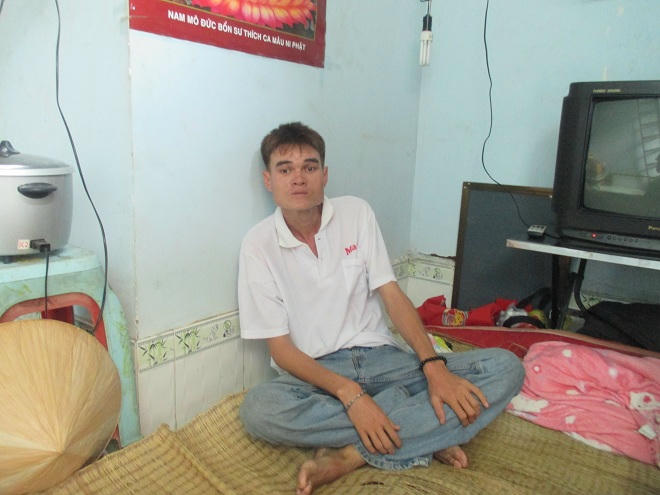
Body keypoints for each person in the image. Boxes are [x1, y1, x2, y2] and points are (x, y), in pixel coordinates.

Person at [238, 122, 525, 495]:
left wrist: (433, 366)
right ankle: (424, 431)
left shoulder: (356, 213)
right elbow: (281, 350)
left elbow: (391, 294)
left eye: (309, 167)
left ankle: (352, 455)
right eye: (285, 169)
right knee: (259, 410)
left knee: (506, 367)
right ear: (268, 180)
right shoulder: (257, 244)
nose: (299, 178)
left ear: (325, 175)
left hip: (384, 361)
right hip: (318, 377)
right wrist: (351, 395)